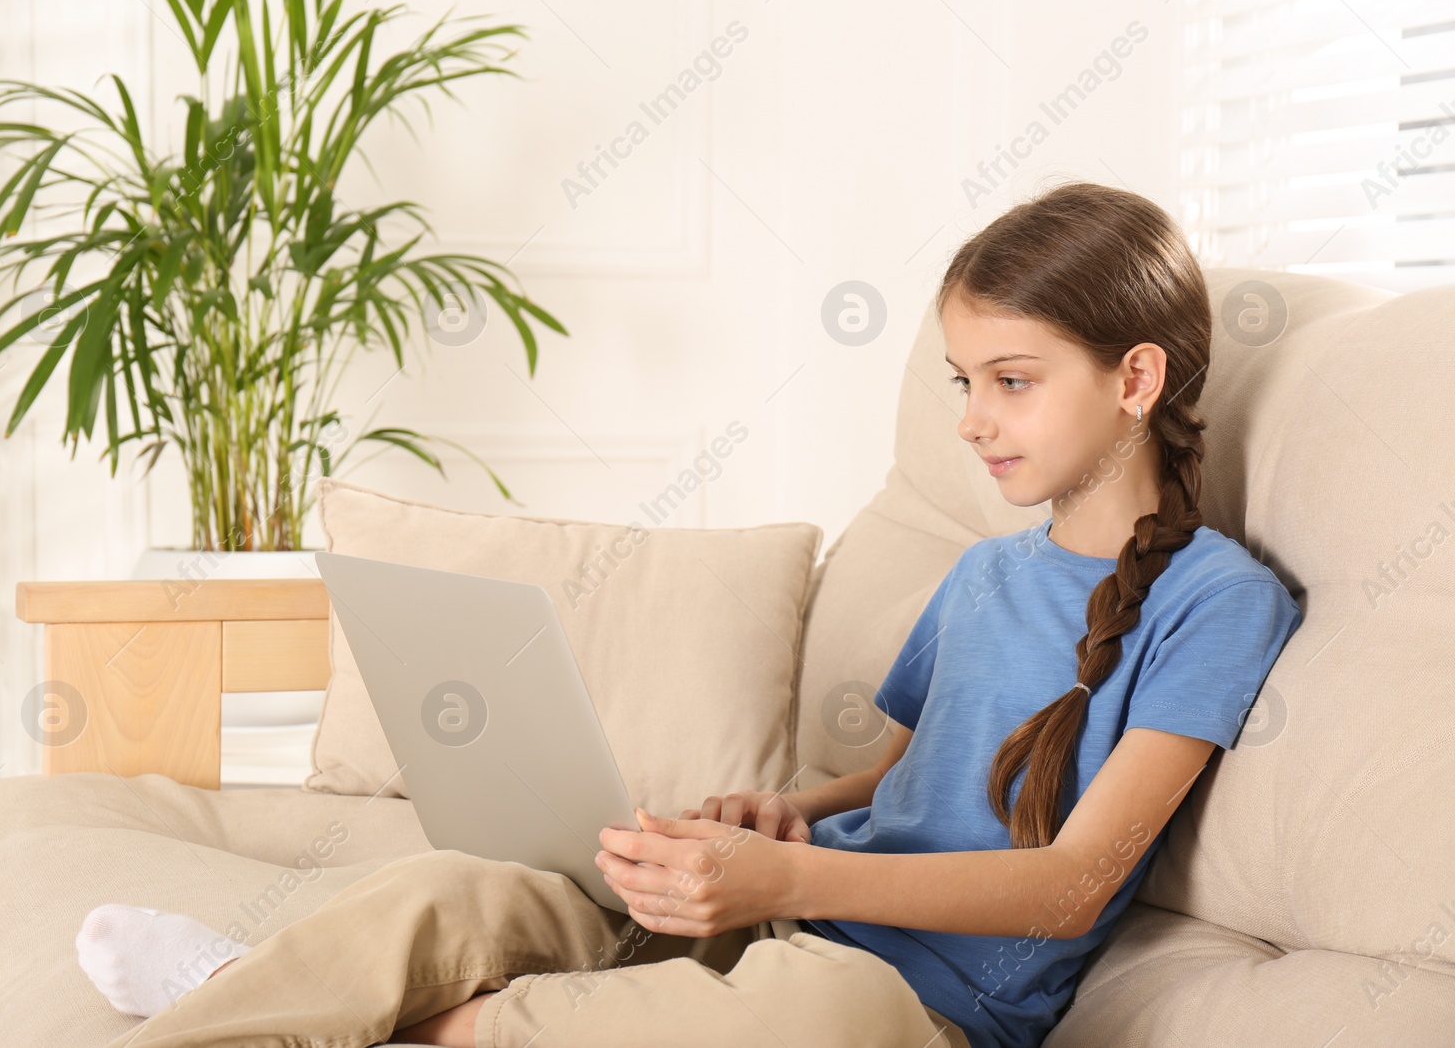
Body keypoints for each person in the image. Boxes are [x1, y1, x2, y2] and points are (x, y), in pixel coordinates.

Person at [74, 180, 1304, 1048]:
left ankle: (359, 1009)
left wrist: (786, 870)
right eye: (960, 383)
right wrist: (789, 818)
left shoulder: (1216, 600)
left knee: (820, 1013)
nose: (972, 419)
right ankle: (264, 985)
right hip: (794, 908)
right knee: (477, 886)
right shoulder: (985, 575)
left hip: (917, 1008)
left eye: (1011, 382)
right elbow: (900, 774)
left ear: (1134, 377)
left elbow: (1070, 886)